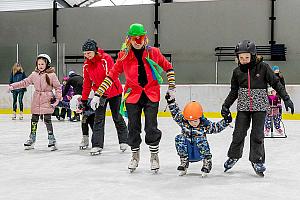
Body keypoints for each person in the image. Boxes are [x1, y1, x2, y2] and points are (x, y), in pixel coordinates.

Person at [93, 23, 176, 172]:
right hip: (133, 96)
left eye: (141, 38)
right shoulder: (123, 56)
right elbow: (111, 75)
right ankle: (135, 155)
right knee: (133, 127)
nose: (138, 41)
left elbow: (168, 67)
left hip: (151, 94)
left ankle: (154, 156)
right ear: (129, 39)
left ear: (145, 38)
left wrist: (172, 87)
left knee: (151, 127)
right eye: (135, 38)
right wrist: (98, 93)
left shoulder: (154, 52)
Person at [221, 40, 294, 176]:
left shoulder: (263, 68)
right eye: (240, 58)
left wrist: (286, 98)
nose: (243, 60)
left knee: (257, 134)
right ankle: (234, 156)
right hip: (243, 107)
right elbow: (233, 91)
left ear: (253, 56)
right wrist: (225, 105)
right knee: (238, 133)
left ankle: (257, 160)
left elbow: (276, 83)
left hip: (260, 107)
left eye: (246, 57)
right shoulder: (237, 72)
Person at [165, 93, 232, 176]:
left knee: (200, 139)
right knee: (179, 138)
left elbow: (216, 127)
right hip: (188, 152)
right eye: (190, 121)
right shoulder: (183, 122)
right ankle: (184, 162)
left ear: (200, 117)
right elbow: (175, 113)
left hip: (200, 152)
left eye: (195, 121)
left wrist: (226, 121)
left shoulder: (204, 124)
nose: (193, 123)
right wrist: (171, 101)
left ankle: (207, 162)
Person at [81, 39, 128, 155]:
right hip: (99, 94)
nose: (87, 56)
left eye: (89, 53)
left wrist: (101, 95)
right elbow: (87, 83)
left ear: (95, 51)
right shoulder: (86, 65)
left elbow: (110, 78)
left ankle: (124, 140)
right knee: (98, 118)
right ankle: (97, 145)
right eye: (85, 54)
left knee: (116, 116)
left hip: (114, 92)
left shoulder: (105, 59)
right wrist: (84, 99)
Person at [8, 54, 62, 151]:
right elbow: (24, 82)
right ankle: (32, 138)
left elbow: (58, 87)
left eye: (42, 64)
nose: (40, 66)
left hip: (47, 99)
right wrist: (13, 86)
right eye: (39, 64)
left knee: (47, 120)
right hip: (36, 99)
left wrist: (57, 99)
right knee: (34, 119)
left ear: (47, 64)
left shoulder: (52, 75)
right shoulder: (34, 74)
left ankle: (52, 139)